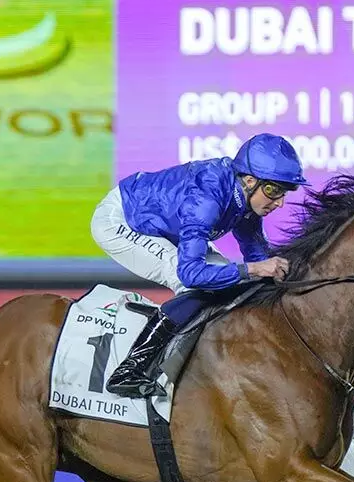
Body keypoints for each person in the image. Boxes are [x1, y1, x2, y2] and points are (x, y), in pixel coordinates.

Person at [90, 133, 306, 396]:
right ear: (250, 181)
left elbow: (259, 259)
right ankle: (129, 370)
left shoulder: (245, 197)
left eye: (284, 192)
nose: (280, 202)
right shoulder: (207, 197)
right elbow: (191, 274)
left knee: (229, 282)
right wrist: (252, 269)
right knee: (195, 287)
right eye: (273, 191)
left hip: (164, 224)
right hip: (122, 220)